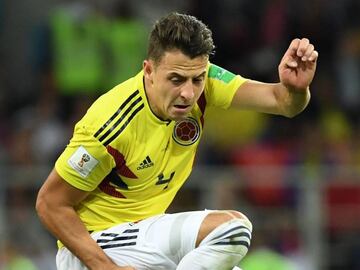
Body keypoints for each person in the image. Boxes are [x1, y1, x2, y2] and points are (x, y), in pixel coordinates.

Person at [35, 12, 318, 270]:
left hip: (143, 239)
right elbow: (50, 203)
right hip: (97, 249)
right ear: (148, 70)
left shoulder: (204, 82)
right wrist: (104, 267)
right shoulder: (111, 124)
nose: (188, 93)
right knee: (233, 229)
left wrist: (295, 89)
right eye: (176, 79)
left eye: (197, 79)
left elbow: (283, 103)